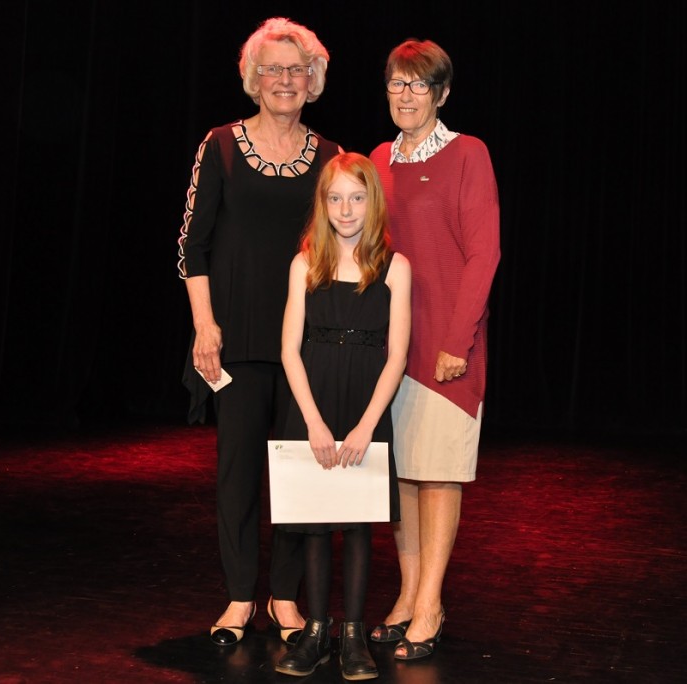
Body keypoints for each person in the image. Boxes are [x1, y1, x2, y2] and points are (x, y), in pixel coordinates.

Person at [176, 16, 343, 647]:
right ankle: (242, 596)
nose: (284, 80)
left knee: (301, 472)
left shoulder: (331, 156)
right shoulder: (219, 145)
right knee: (238, 472)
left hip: (307, 342)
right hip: (236, 339)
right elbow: (193, 247)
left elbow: (342, 246)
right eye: (272, 68)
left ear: (313, 80)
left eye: (296, 69)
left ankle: (285, 597)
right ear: (253, 78)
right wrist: (204, 325)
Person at [367, 39, 501, 661]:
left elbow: (484, 254)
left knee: (439, 474)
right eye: (397, 82)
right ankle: (407, 592)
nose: (405, 94)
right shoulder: (375, 159)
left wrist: (457, 341)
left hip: (447, 344)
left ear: (442, 93)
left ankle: (431, 602)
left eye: (418, 85)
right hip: (391, 348)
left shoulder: (468, 154)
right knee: (402, 479)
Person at [273, 152, 411, 679]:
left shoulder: (395, 268)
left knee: (356, 524)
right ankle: (316, 631)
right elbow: (289, 349)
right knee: (313, 520)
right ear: (322, 203)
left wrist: (365, 426)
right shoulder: (305, 263)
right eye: (335, 198)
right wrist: (312, 421)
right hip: (313, 402)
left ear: (372, 201)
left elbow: (396, 354)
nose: (346, 208)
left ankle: (352, 634)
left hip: (362, 406)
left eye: (357, 197)